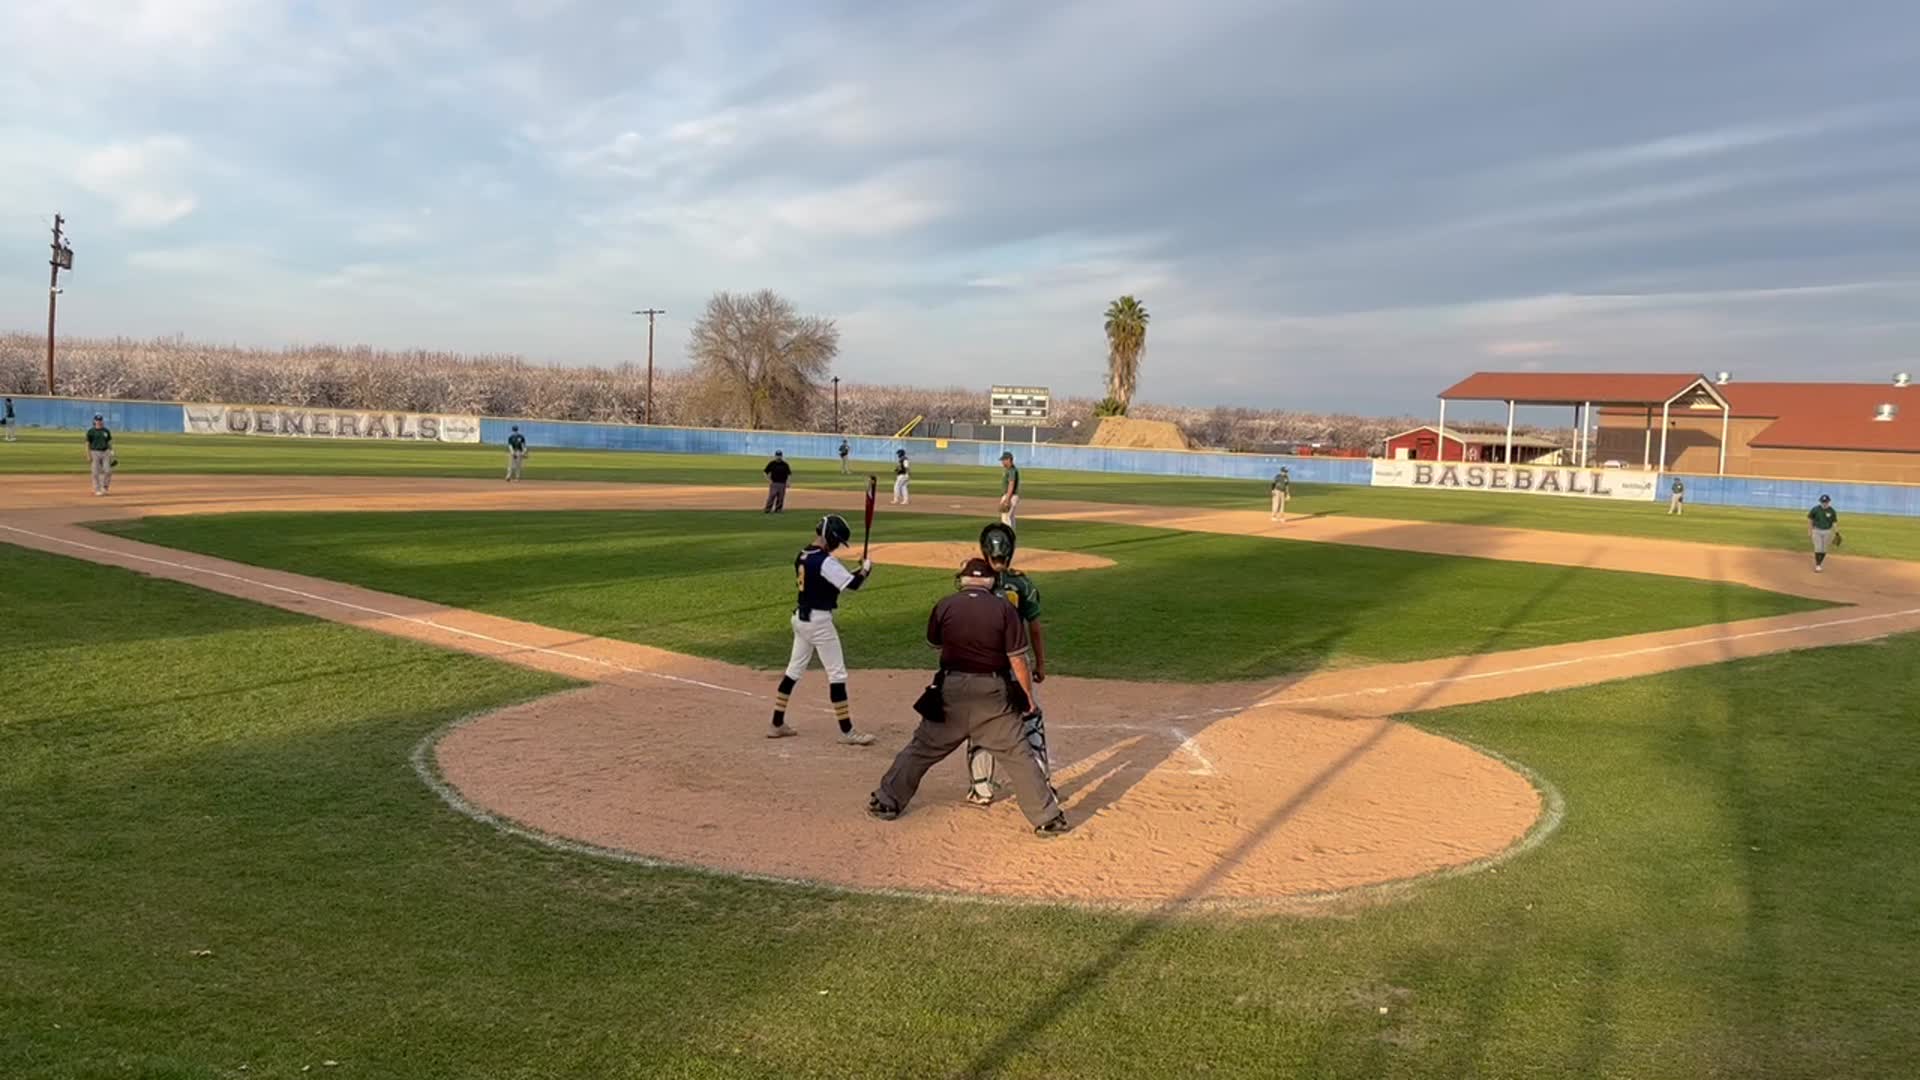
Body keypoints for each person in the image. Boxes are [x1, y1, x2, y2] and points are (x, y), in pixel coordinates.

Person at [868, 557, 1068, 837]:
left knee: (922, 747)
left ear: (962, 580)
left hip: (952, 691)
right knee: (1018, 755)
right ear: (991, 583)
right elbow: (1018, 660)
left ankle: (886, 801)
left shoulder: (945, 605)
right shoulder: (1004, 609)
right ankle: (1047, 817)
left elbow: (935, 643)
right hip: (993, 696)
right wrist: (1027, 698)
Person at [769, 514, 878, 745]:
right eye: (837, 541)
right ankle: (848, 732)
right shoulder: (826, 562)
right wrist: (865, 570)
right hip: (818, 623)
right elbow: (853, 584)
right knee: (837, 674)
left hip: (800, 619)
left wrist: (854, 571)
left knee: (793, 671)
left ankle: (776, 724)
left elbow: (826, 580)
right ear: (829, 536)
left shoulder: (803, 554)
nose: (837, 546)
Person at [966, 523, 1050, 808]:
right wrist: (1040, 664)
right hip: (1015, 667)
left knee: (980, 722)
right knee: (1030, 719)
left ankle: (981, 789)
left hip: (980, 666)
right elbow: (1035, 628)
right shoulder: (1022, 584)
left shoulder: (973, 580)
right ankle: (1043, 786)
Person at [1808, 494, 1839, 573]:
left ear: (1829, 502)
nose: (1824, 503)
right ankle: (1818, 565)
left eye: (1826, 502)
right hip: (1816, 531)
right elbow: (1810, 520)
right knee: (1818, 548)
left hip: (1828, 531)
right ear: (1820, 502)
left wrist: (1837, 533)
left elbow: (1834, 522)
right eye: (1823, 502)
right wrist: (1810, 530)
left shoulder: (1832, 511)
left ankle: (1819, 563)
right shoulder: (1815, 509)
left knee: (1824, 549)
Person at [85, 414, 114, 495]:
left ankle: (105, 487)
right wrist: (88, 454)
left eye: (100, 420)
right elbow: (87, 444)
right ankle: (97, 489)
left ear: (102, 421)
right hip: (94, 452)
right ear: (94, 421)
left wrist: (111, 451)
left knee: (108, 471)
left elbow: (109, 442)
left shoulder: (106, 431)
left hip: (105, 452)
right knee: (95, 472)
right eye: (97, 420)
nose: (99, 422)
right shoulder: (91, 431)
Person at [998, 451, 1021, 529]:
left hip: (1011, 496)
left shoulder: (1011, 470)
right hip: (1011, 496)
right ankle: (1012, 538)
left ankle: (1007, 538)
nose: (1002, 462)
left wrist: (1007, 499)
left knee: (1005, 518)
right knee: (1010, 518)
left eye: (1004, 460)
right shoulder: (1009, 470)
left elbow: (1011, 485)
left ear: (1009, 460)